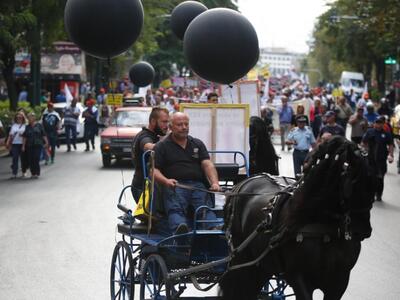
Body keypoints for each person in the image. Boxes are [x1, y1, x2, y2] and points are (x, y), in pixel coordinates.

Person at [153, 112, 220, 234]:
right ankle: (180, 230)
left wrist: (215, 183)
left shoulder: (197, 143)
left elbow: (207, 164)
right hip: (175, 185)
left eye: (186, 124)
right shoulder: (161, 146)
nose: (184, 127)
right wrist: (166, 181)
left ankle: (213, 230)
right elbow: (154, 170)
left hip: (197, 185)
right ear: (171, 127)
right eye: (179, 125)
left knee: (204, 209)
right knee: (175, 208)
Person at [131, 107, 170, 202]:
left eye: (168, 122)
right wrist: (169, 138)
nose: (167, 125)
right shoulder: (144, 136)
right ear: (153, 121)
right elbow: (148, 146)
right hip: (143, 187)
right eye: (164, 122)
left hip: (152, 186)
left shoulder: (156, 136)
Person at [362, 117, 394, 201]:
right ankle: (371, 193)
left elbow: (390, 144)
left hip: (381, 160)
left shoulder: (386, 134)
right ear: (374, 123)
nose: (378, 124)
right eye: (377, 123)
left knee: (380, 178)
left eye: (380, 123)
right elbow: (364, 142)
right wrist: (365, 150)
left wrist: (391, 155)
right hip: (371, 159)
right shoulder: (370, 132)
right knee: (371, 177)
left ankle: (379, 194)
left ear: (383, 124)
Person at [22, 113, 48, 179]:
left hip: (38, 144)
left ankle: (37, 173)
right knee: (31, 159)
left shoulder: (39, 125)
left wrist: (46, 142)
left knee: (36, 158)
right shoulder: (27, 127)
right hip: (29, 145)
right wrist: (23, 146)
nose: (29, 119)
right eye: (28, 118)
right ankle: (33, 173)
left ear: (34, 118)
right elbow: (25, 137)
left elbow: (43, 134)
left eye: (30, 117)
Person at [6, 112, 28, 178]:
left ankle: (24, 172)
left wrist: (23, 136)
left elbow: (27, 135)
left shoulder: (25, 126)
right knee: (14, 158)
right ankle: (14, 173)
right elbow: (10, 135)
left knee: (23, 159)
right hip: (15, 144)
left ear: (23, 118)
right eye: (17, 117)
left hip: (22, 143)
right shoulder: (14, 125)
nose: (19, 118)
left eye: (20, 117)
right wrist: (8, 142)